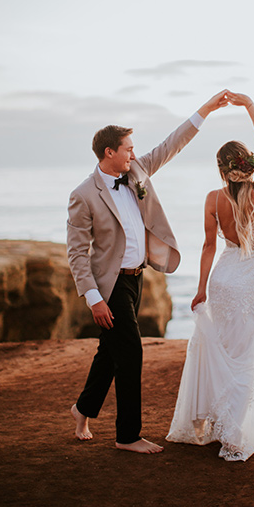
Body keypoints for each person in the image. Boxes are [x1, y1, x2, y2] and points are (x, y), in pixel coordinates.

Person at [67, 90, 229, 454]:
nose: (134, 153)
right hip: (109, 287)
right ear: (110, 153)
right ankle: (127, 435)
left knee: (109, 353)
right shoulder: (83, 195)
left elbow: (173, 144)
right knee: (131, 352)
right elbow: (77, 253)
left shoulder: (137, 171)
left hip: (138, 279)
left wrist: (205, 109)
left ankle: (82, 409)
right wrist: (93, 298)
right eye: (127, 148)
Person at [166, 92, 254, 461]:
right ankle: (234, 433)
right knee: (244, 357)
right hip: (249, 281)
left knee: (224, 353)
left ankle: (220, 425)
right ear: (248, 163)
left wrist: (200, 290)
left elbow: (208, 247)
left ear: (221, 169)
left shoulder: (213, 198)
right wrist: (248, 105)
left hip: (223, 281)